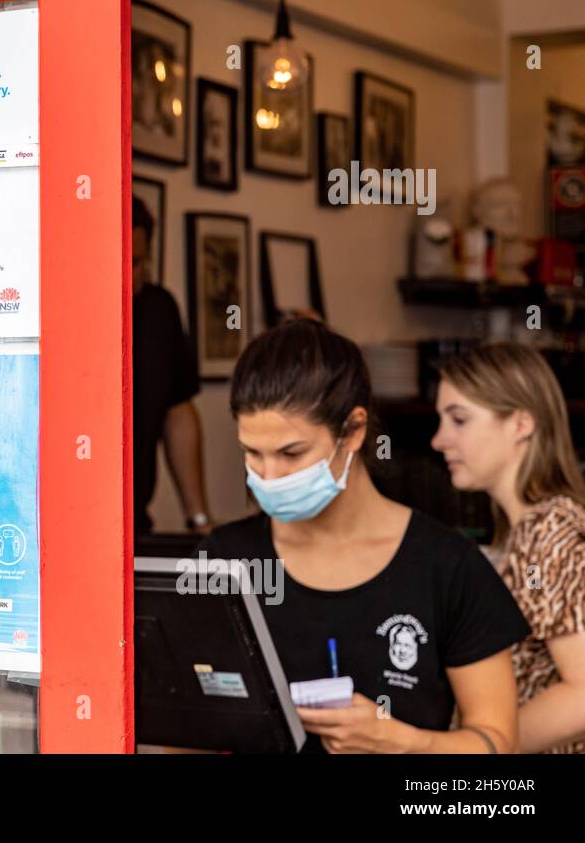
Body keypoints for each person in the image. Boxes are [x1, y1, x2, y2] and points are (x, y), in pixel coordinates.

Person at [198, 320, 529, 753]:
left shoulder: (448, 566)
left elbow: (496, 744)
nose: (269, 477)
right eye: (252, 453)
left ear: (353, 430)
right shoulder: (224, 560)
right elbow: (186, 726)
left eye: (291, 453)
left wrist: (405, 743)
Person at [431, 343, 585, 753]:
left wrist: (484, 746)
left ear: (521, 423)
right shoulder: (525, 531)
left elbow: (582, 696)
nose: (438, 440)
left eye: (459, 420)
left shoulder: (549, 530)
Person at [131, 194, 210, 533]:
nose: (130, 279)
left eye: (137, 263)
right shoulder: (54, 309)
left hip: (134, 525)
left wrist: (198, 518)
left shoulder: (158, 309)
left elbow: (178, 414)